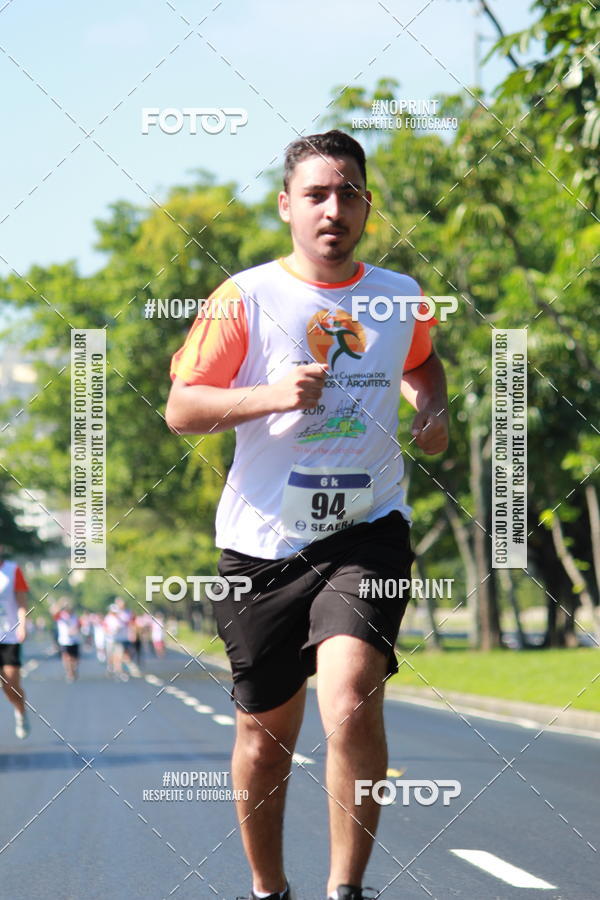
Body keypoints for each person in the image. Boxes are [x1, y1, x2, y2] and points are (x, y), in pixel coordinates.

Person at [166, 130, 449, 900]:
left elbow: (422, 358)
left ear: (367, 205)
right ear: (287, 205)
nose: (334, 208)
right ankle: (269, 889)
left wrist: (435, 407)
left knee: (351, 694)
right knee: (265, 737)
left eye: (349, 192)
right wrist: (271, 394)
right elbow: (183, 408)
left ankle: (346, 891)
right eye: (317, 194)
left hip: (368, 529)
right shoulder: (246, 297)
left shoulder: (398, 294)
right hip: (261, 544)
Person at [0, 544, 31, 739]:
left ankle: (20, 711)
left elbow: (21, 602)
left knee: (9, 683)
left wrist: (22, 624)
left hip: (8, 636)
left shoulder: (12, 570)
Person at [51, 598, 82, 682]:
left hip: (75, 640)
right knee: (66, 657)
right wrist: (60, 604)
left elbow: (79, 626)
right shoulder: (61, 615)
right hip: (64, 640)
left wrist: (75, 630)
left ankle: (74, 669)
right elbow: (53, 612)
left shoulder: (75, 617)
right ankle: (69, 672)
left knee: (75, 659)